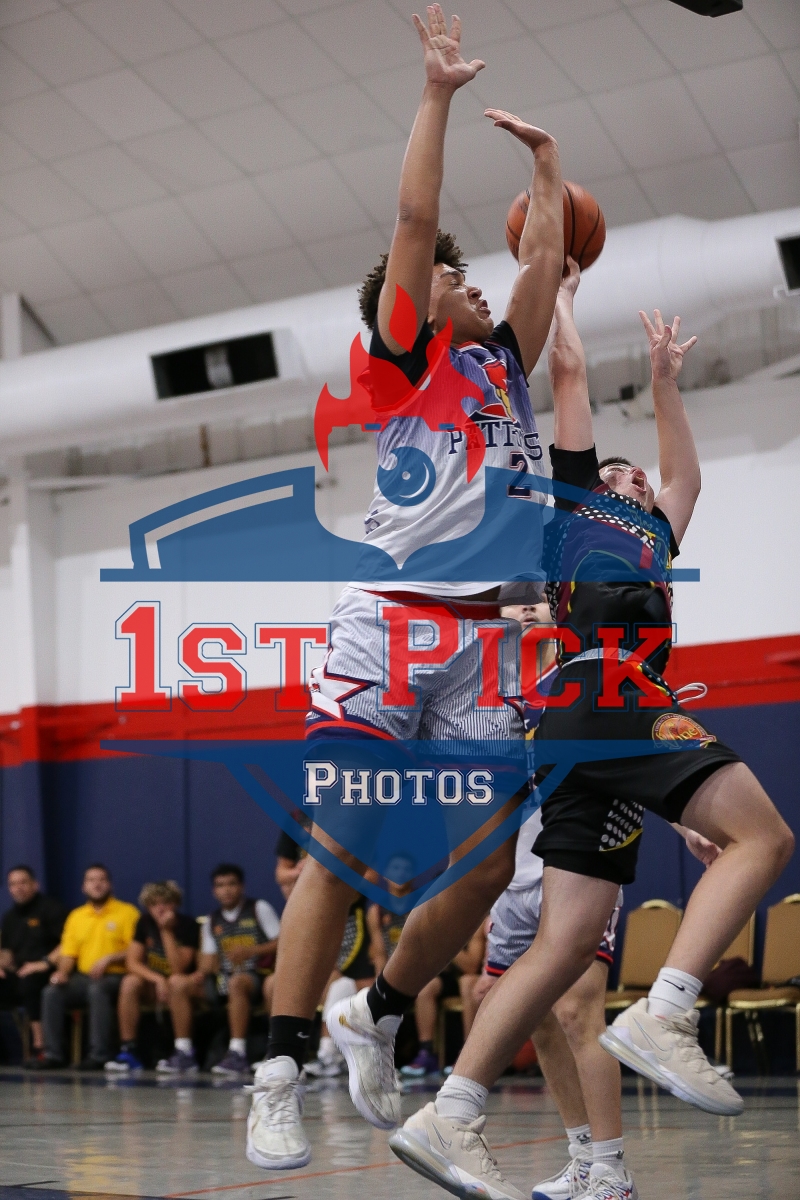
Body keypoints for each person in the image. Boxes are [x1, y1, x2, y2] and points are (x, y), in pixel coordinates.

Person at [387, 265, 794, 1199]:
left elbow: (685, 475)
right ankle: (668, 1012)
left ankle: (451, 1112)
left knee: (566, 946)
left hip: (582, 737)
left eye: (635, 475)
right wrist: (564, 297)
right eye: (615, 469)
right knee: (765, 838)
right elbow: (566, 376)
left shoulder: (655, 540)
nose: (630, 475)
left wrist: (664, 383)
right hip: (603, 698)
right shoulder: (577, 514)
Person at [246, 5, 564, 1171]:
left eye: (470, 278)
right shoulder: (400, 360)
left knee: (484, 866)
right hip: (392, 620)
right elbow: (417, 224)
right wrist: (435, 95)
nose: (469, 284)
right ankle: (276, 1073)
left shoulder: (500, 368)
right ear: (416, 298)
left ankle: (373, 1013)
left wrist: (545, 168)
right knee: (342, 843)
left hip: (491, 644)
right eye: (450, 279)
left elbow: (542, 265)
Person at [165, 864, 280, 1076]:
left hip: (257, 976)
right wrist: (200, 972)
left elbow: (281, 941)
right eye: (220, 885)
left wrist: (252, 950)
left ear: (242, 887)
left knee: (237, 982)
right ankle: (184, 1052)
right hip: (222, 979)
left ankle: (237, 1053)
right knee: (178, 983)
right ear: (214, 891)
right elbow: (208, 961)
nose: (226, 890)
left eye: (231, 884)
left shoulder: (258, 908)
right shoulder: (212, 920)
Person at [35, 865, 139, 1070]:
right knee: (51, 992)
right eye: (91, 880)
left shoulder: (127, 912)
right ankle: (53, 1054)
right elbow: (68, 953)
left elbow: (136, 949)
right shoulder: (77, 916)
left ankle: (99, 1055)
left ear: (110, 885)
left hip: (117, 976)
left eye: (101, 880)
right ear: (84, 887)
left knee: (97, 990)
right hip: (83, 976)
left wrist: (110, 958)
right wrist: (62, 973)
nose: (97, 884)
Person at [104, 881, 199, 1074]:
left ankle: (184, 1052)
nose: (160, 909)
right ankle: (129, 1051)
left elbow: (178, 968)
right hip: (157, 986)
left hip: (184, 989)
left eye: (165, 903)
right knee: (130, 981)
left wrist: (166, 931)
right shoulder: (144, 923)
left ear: (175, 904)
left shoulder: (188, 925)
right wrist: (157, 979)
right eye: (154, 904)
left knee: (175, 982)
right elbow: (132, 962)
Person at [401, 921, 486, 1078]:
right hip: (452, 976)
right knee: (426, 986)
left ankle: (467, 1055)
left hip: (476, 977)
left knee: (466, 983)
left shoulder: (477, 922)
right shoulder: (443, 919)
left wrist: (446, 943)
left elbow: (471, 966)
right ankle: (426, 1053)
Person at [0, 865, 66, 1063]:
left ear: (34, 885)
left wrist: (43, 963)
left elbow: (68, 944)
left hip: (48, 969)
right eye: (13, 884)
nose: (18, 888)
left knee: (30, 982)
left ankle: (40, 1047)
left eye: (23, 883)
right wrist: (2, 966)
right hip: (19, 971)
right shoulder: (9, 918)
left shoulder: (51, 909)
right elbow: (6, 953)